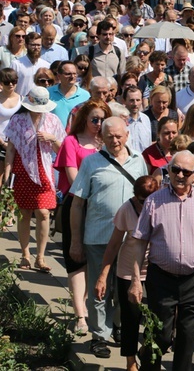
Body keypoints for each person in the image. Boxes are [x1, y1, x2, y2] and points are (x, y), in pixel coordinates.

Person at [127, 151, 194, 370]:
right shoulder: (153, 201)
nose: (179, 175)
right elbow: (139, 242)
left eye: (185, 171)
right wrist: (134, 280)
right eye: (175, 169)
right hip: (162, 278)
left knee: (187, 338)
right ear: (168, 170)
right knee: (160, 335)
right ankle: (148, 361)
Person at [69, 117, 148, 359]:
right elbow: (77, 204)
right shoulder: (91, 162)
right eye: (109, 136)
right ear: (101, 137)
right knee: (99, 288)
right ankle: (99, 336)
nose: (114, 140)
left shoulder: (138, 161)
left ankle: (116, 326)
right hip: (98, 236)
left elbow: (146, 199)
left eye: (119, 136)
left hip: (130, 240)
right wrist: (75, 240)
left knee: (123, 288)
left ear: (127, 135)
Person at [54, 99, 110, 333]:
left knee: (94, 260)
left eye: (102, 120)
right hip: (76, 205)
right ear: (84, 119)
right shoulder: (71, 141)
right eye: (94, 119)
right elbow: (75, 177)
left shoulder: (108, 143)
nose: (98, 124)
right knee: (76, 259)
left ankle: (87, 305)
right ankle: (80, 315)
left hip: (101, 209)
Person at [94, 176, 159, 371]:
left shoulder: (162, 208)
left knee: (158, 318)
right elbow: (114, 244)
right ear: (134, 196)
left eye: (151, 200)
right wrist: (103, 276)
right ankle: (130, 362)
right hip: (128, 270)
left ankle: (145, 352)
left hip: (155, 269)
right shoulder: (126, 209)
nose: (146, 205)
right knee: (131, 318)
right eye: (142, 200)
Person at [4, 86, 65, 273]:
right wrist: (7, 175)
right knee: (24, 213)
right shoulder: (18, 120)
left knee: (44, 212)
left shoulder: (53, 120)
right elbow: (11, 149)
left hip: (45, 170)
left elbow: (61, 150)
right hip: (23, 169)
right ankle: (25, 254)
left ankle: (40, 256)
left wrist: (52, 138)